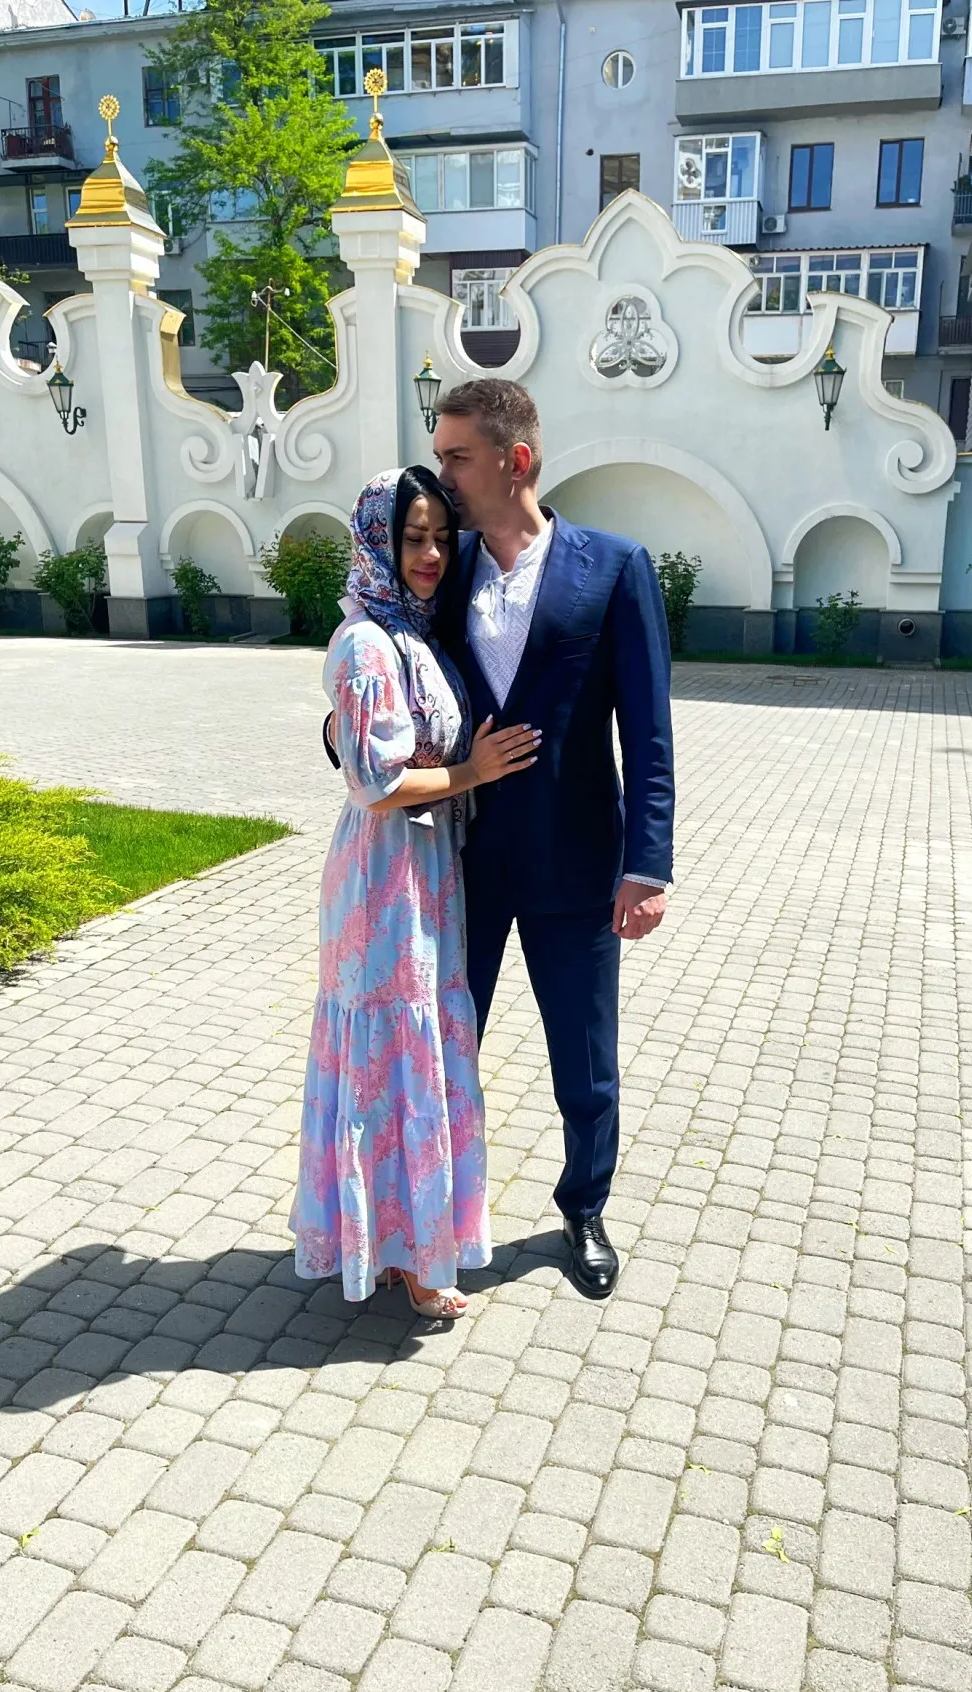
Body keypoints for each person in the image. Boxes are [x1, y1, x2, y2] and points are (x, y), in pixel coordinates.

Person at [434, 380, 675, 1300]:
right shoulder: (443, 566)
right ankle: (435, 1210)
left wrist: (646, 865)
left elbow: (648, 731)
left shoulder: (612, 567)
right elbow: (385, 671)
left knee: (585, 1058)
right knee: (447, 1045)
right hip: (459, 862)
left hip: (577, 865)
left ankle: (584, 1207)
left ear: (516, 460)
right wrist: (346, 736)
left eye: (459, 457)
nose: (444, 475)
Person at [289, 466, 539, 1318]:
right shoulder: (367, 643)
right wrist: (473, 770)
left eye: (440, 538)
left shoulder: (411, 630)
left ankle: (405, 1244)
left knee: (414, 1053)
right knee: (392, 1056)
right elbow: (375, 781)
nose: (431, 554)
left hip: (426, 868)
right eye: (412, 538)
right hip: (383, 878)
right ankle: (410, 1255)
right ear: (377, 543)